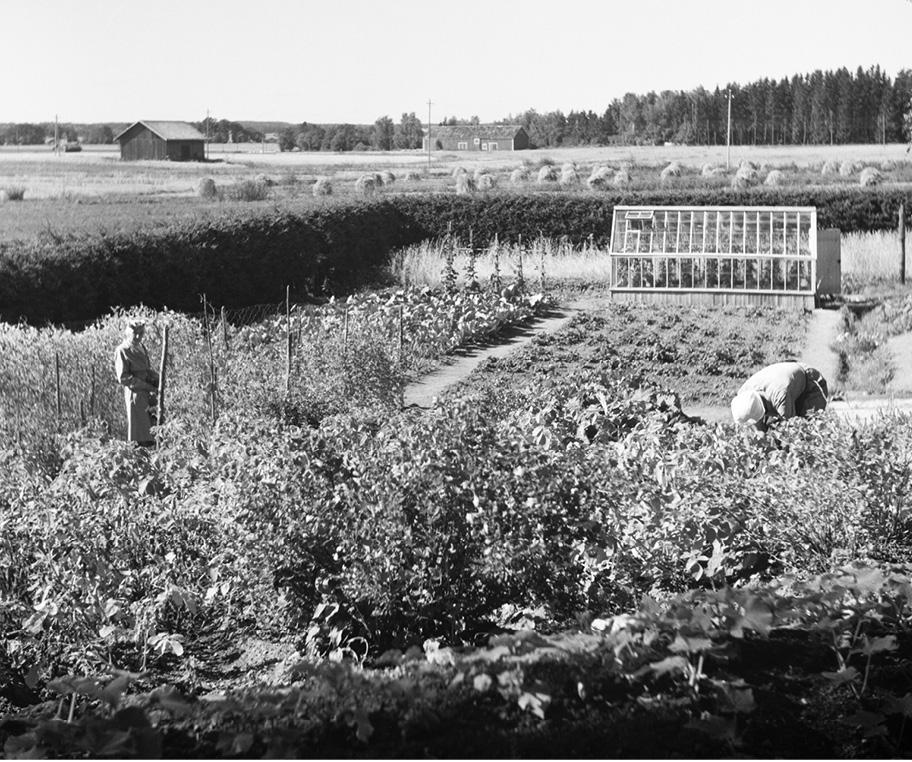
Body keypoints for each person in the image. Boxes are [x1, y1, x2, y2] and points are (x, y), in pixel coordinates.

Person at [730, 361, 828, 431]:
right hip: (783, 382)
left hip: (809, 381)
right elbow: (759, 429)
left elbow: (792, 431)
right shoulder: (743, 397)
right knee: (774, 428)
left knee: (811, 427)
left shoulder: (781, 398)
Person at [114, 320, 159, 446]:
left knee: (152, 430)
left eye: (141, 333)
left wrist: (158, 379)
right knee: (139, 432)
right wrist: (146, 386)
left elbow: (147, 369)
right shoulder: (122, 350)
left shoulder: (141, 347)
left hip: (149, 394)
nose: (138, 336)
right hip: (136, 395)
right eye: (135, 333)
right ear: (128, 333)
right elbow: (124, 377)